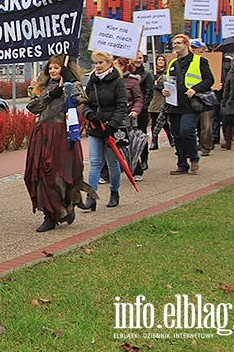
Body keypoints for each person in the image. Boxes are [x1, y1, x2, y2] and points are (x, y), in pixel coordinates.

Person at [24, 55, 93, 231]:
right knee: (40, 173)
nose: (53, 71)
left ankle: (65, 207)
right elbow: (33, 106)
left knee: (60, 174)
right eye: (51, 68)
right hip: (43, 133)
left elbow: (81, 99)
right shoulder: (43, 87)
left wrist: (68, 84)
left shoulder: (72, 85)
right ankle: (50, 213)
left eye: (57, 68)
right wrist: (48, 95)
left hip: (62, 134)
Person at [162, 34, 214, 175]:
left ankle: (193, 157)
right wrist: (165, 91)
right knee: (177, 135)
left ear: (186, 45)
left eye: (179, 43)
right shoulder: (173, 63)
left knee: (187, 130)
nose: (176, 46)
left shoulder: (199, 61)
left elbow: (209, 80)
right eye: (174, 44)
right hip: (174, 104)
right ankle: (182, 164)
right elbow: (168, 81)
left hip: (191, 104)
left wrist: (195, 89)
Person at [82, 51, 127, 209]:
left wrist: (112, 125)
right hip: (95, 127)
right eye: (96, 63)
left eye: (101, 63)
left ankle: (114, 192)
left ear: (109, 63)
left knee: (112, 163)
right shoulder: (92, 81)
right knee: (94, 162)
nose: (98, 66)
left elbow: (122, 106)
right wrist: (90, 115)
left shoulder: (117, 82)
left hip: (111, 128)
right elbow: (85, 102)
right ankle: (91, 196)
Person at [190, 39, 214, 156]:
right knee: (194, 124)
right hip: (189, 98)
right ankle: (197, 144)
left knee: (206, 124)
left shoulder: (202, 61)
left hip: (203, 97)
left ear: (201, 50)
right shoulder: (181, 62)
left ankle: (206, 146)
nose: (193, 50)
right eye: (191, 47)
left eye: (195, 47)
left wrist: (196, 89)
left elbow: (209, 79)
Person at [132, 52, 153, 170]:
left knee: (141, 134)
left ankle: (144, 158)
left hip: (141, 111)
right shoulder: (126, 74)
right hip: (128, 110)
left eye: (140, 58)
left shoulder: (146, 75)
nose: (138, 60)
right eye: (135, 57)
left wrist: (143, 107)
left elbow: (149, 92)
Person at [148, 54, 174, 150]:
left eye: (162, 60)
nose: (160, 62)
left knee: (163, 121)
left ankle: (171, 139)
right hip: (154, 100)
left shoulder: (167, 73)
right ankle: (154, 141)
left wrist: (160, 87)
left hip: (163, 100)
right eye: (159, 60)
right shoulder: (151, 73)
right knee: (154, 121)